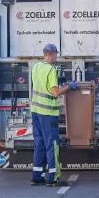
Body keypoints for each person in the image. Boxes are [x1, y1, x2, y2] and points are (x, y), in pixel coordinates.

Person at [30, 43, 77, 187]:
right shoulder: (51, 70)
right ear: (52, 54)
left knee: (39, 144)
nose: (57, 56)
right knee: (53, 145)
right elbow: (55, 93)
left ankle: (37, 176)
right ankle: (52, 177)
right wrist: (69, 87)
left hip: (35, 111)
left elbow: (40, 86)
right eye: (56, 53)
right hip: (48, 113)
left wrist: (59, 83)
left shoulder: (36, 66)